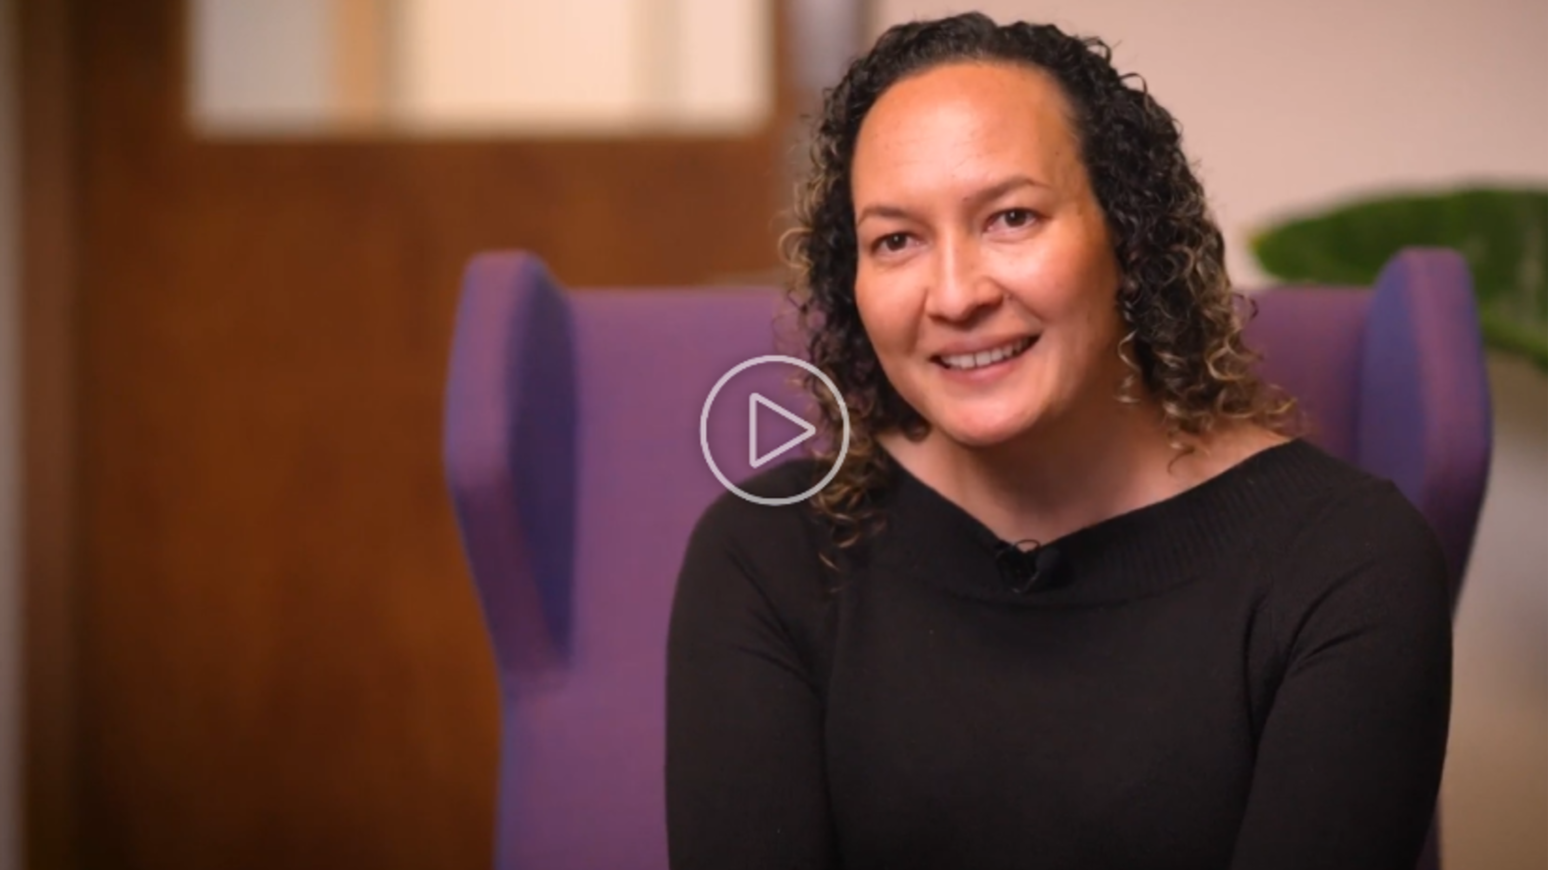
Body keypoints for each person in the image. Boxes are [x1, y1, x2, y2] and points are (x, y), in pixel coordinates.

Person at [666, 12, 1451, 870]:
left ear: (1131, 238)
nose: (955, 295)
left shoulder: (1345, 562)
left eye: (1011, 217)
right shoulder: (769, 554)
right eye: (896, 240)